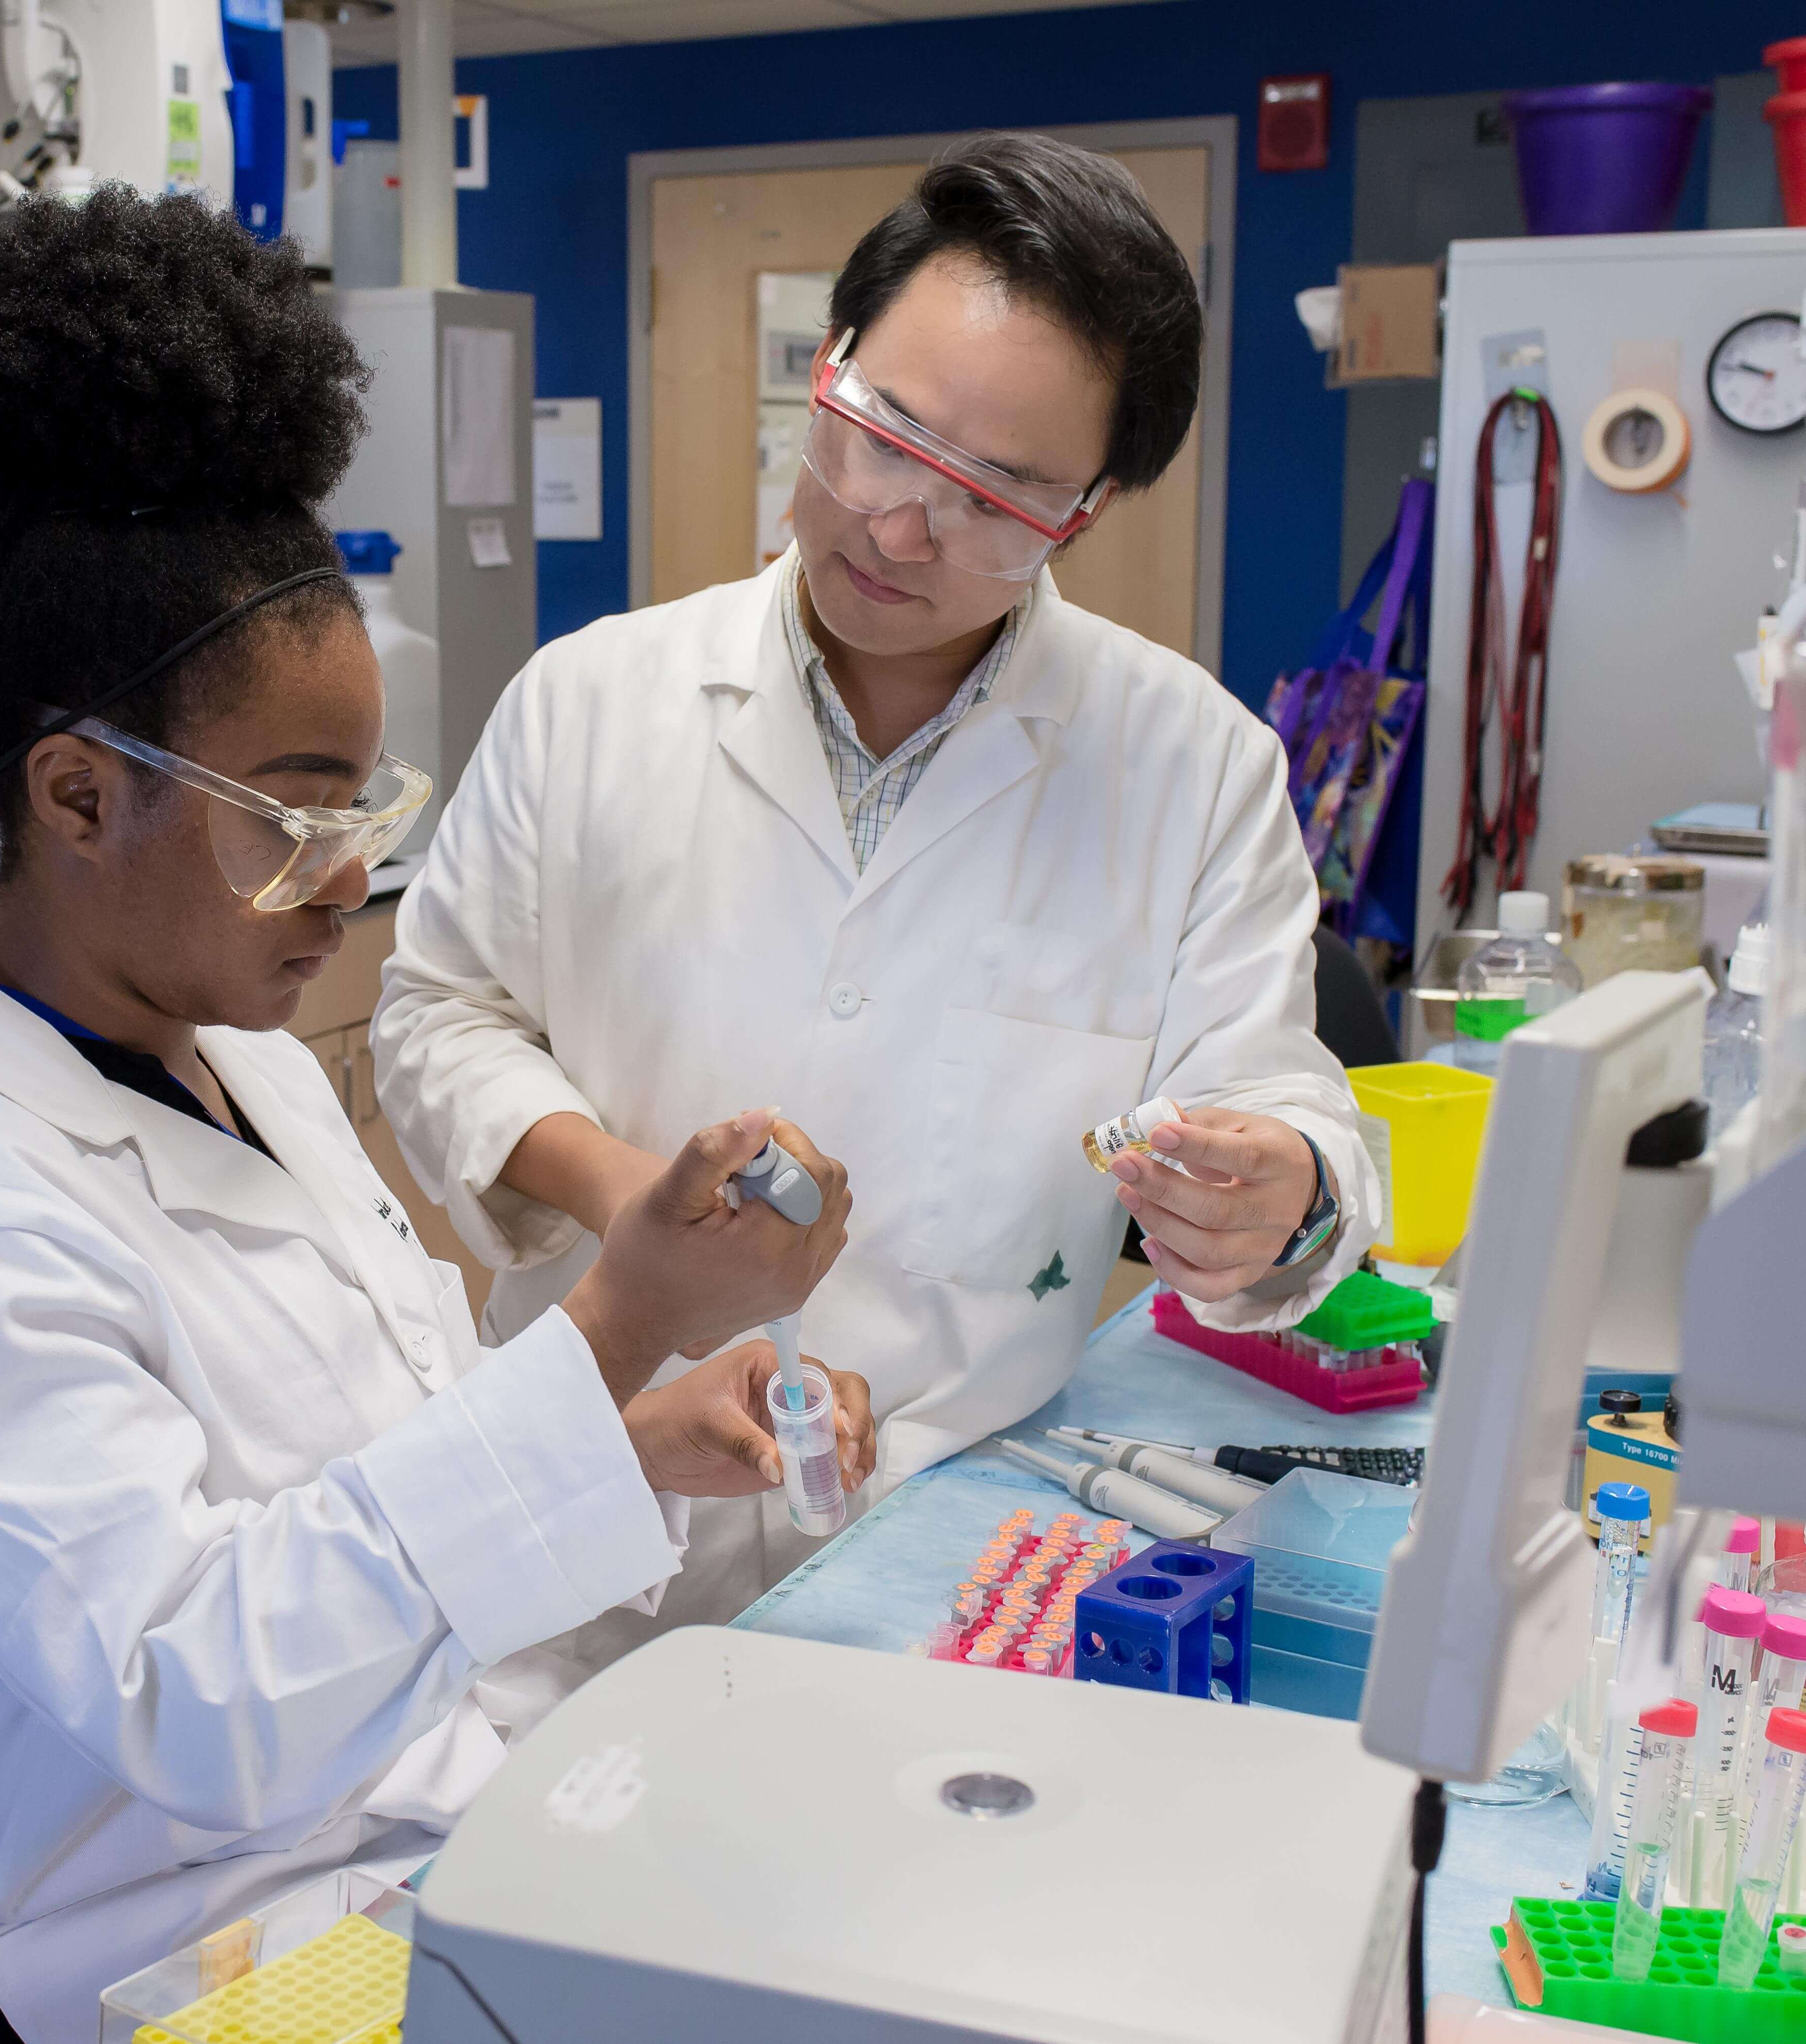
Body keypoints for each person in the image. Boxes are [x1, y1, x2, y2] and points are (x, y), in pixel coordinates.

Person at [0, 190, 871, 2044]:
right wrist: (616, 1313)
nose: (349, 880)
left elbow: (378, 1448)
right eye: (292, 818)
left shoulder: (244, 1054)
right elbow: (202, 1696)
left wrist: (628, 1422)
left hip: (360, 1853)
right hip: (91, 1960)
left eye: (363, 808)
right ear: (76, 794)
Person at [373, 133, 1379, 1657]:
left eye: (997, 495)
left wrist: (1280, 1190)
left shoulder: (1193, 767)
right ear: (829, 362)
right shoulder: (588, 700)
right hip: (594, 1508)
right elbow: (439, 1013)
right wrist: (627, 1204)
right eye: (880, 435)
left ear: (1087, 511)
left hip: (954, 1552)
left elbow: (1272, 1101)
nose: (899, 524)